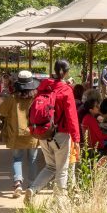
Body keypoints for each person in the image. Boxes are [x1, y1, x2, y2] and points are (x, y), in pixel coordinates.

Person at [24, 60, 81, 202]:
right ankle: (59, 202)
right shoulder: (66, 89)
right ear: (66, 72)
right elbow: (72, 116)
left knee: (50, 166)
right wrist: (76, 139)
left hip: (44, 132)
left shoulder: (43, 86)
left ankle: (33, 189)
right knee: (62, 169)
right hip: (61, 134)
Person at [0, 71, 40, 197]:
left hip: (16, 133)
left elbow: (2, 111)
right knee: (33, 159)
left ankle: (18, 183)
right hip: (33, 133)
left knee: (17, 159)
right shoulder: (36, 98)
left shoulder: (12, 98)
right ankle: (32, 186)